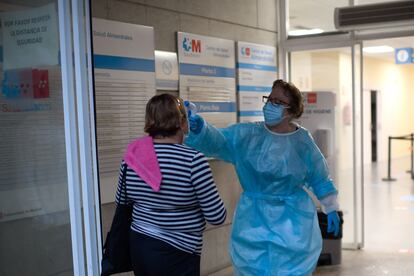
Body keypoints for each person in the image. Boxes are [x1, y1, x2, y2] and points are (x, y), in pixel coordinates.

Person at [185, 79, 340, 275]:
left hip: (292, 221)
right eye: (269, 99)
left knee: (290, 268)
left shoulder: (302, 141)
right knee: (252, 267)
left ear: (291, 111)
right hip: (253, 218)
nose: (269, 105)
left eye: (277, 102)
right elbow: (220, 141)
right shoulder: (248, 134)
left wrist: (331, 206)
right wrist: (202, 129)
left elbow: (319, 174)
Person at [115, 93, 227, 276]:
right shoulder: (193, 161)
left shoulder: (131, 158)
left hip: (140, 246)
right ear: (183, 123)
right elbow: (217, 216)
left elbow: (122, 200)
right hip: (179, 252)